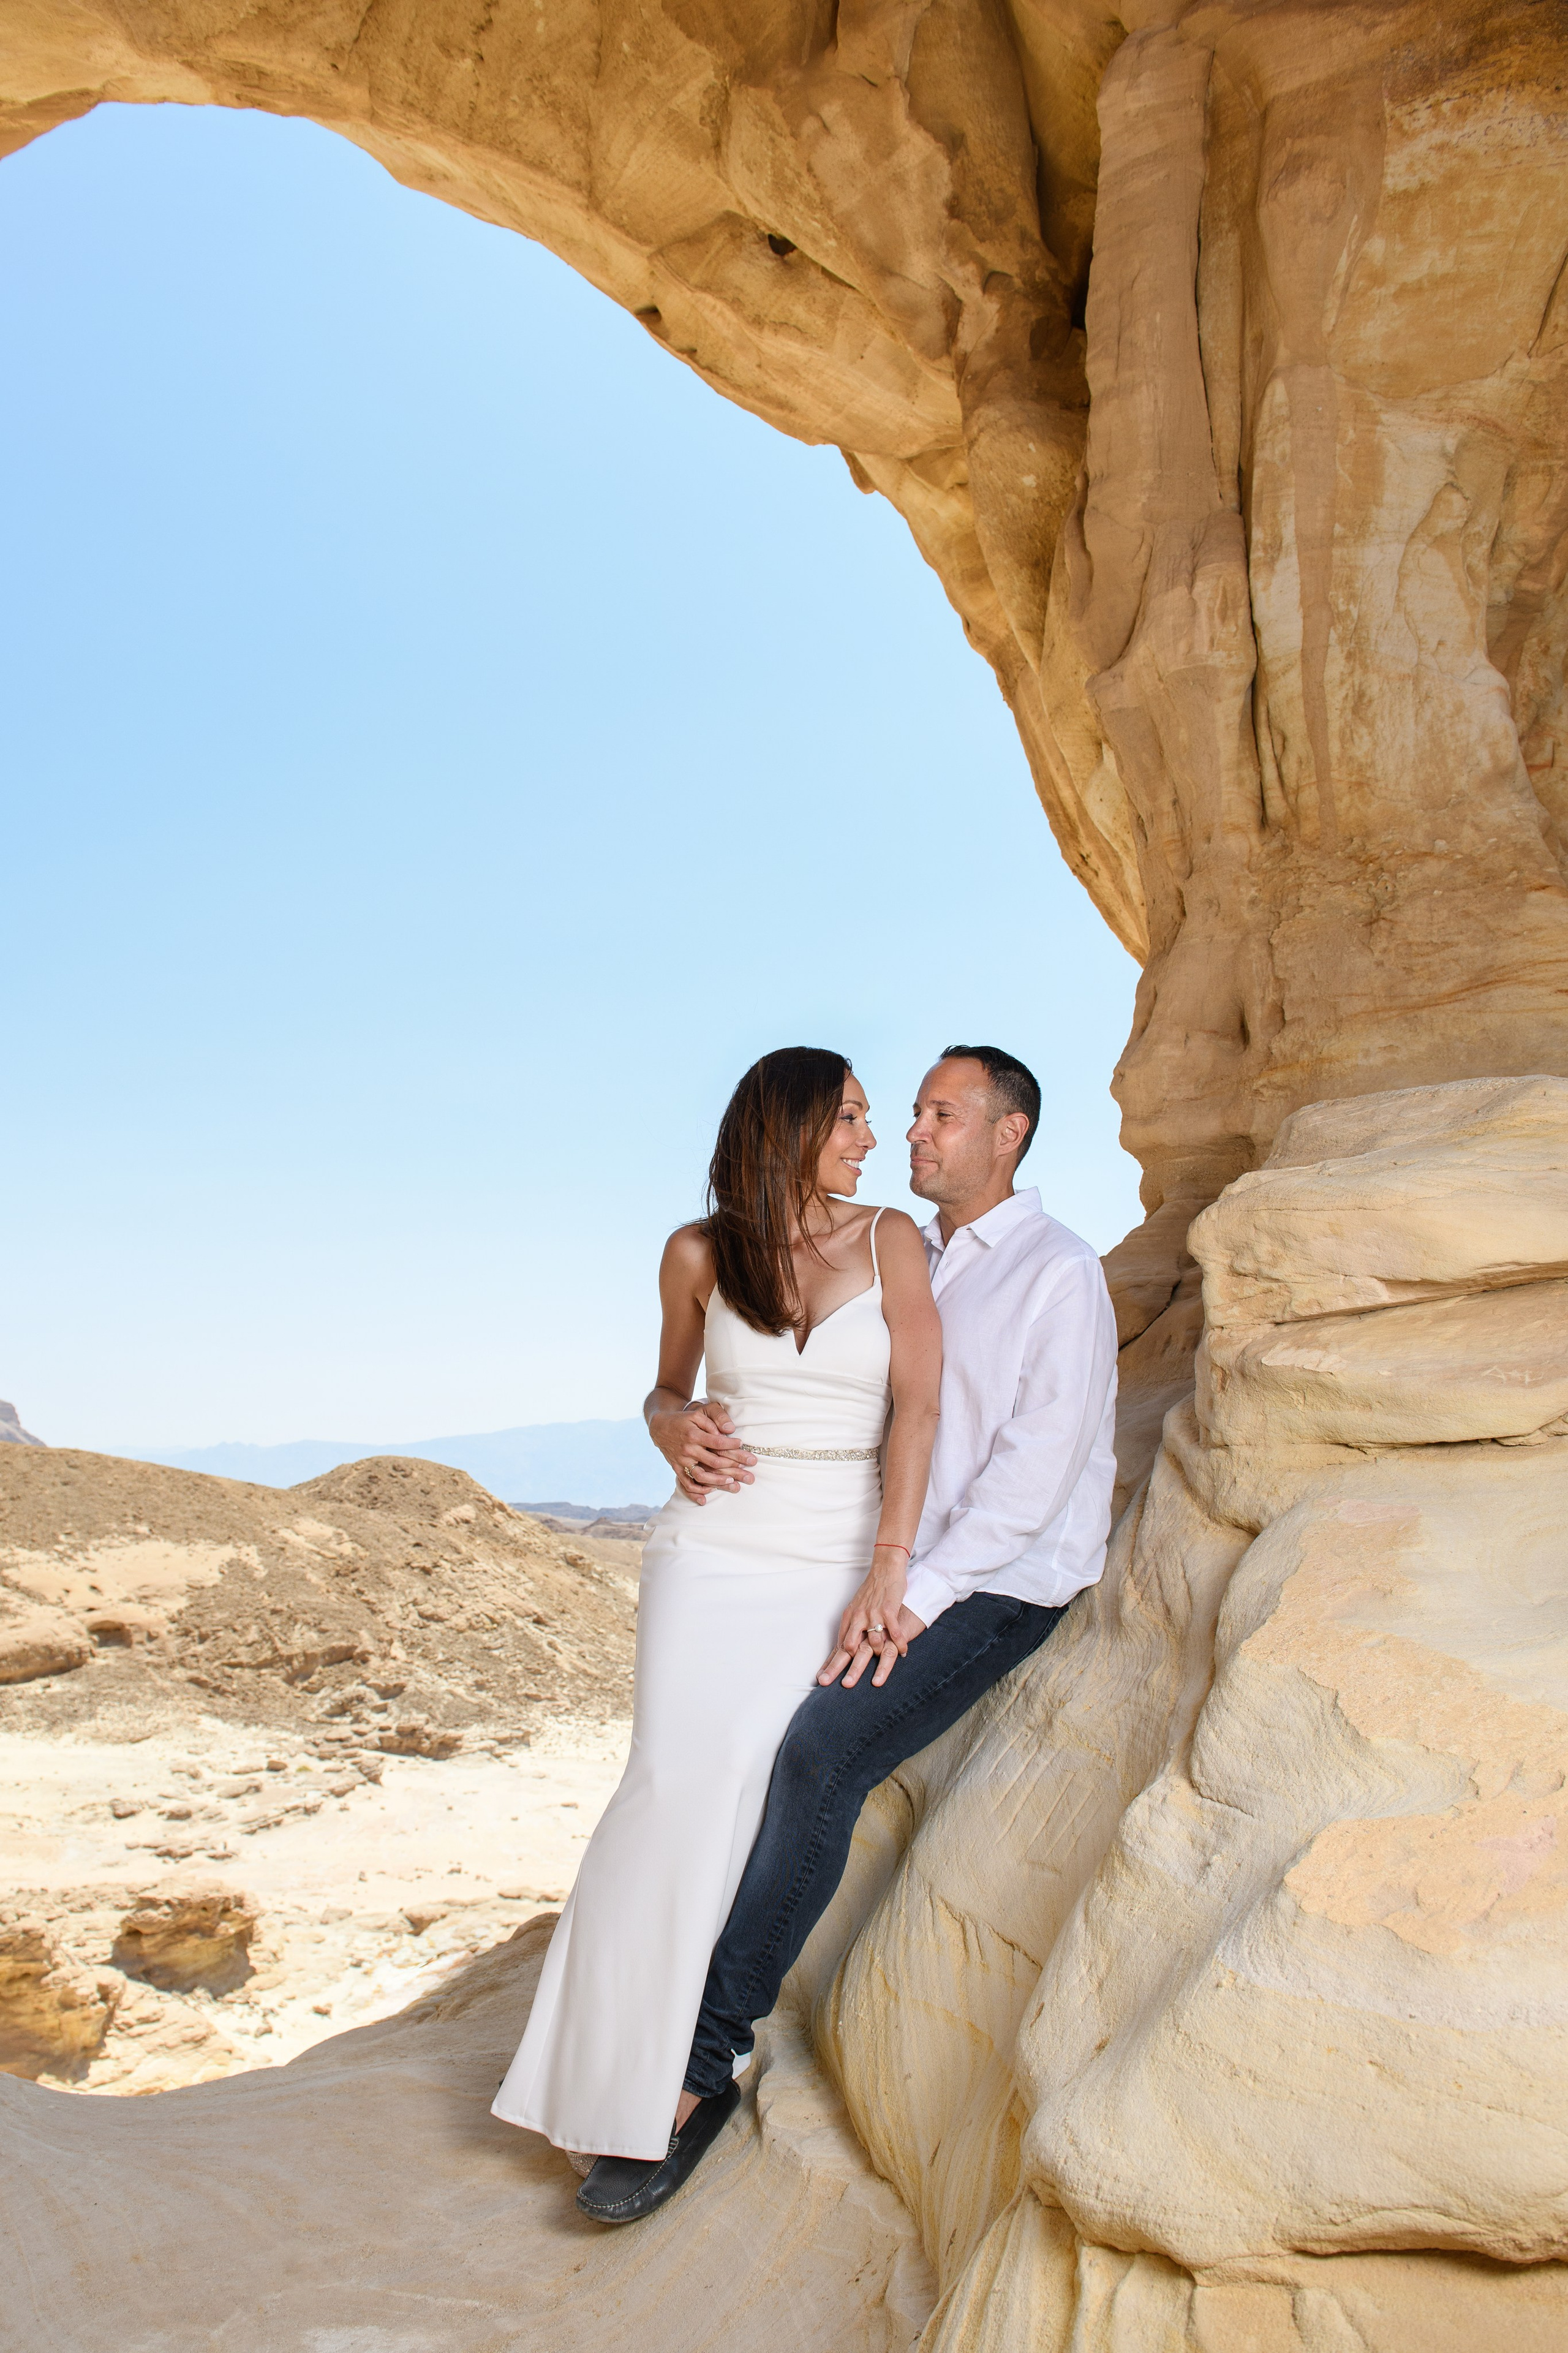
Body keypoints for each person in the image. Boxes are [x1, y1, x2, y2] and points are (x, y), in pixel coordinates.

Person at [652, 1044, 1119, 2221]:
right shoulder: (912, 1255)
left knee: (825, 1748)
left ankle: (705, 2060)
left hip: (1002, 1581)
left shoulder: (1058, 1273)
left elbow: (1033, 1472)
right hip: (883, 1561)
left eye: (943, 1115)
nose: (915, 1133)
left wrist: (912, 1589)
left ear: (1009, 1134)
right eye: (910, 1113)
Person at [491, 1046, 941, 2220]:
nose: (868, 1138)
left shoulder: (894, 1237)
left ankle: (695, 2068)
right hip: (711, 1547)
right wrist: (671, 1427)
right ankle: (607, 2085)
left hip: (836, 1550)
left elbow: (922, 1407)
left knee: (752, 1784)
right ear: (788, 1125)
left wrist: (889, 1566)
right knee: (671, 1787)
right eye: (847, 1117)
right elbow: (661, 1389)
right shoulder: (697, 1252)